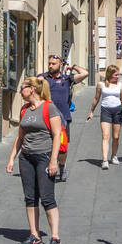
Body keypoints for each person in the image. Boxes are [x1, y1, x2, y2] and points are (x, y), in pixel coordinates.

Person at [7, 77, 64, 244]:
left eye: (23, 87)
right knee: (30, 197)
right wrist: (11, 158)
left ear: (32, 89)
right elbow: (20, 136)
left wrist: (53, 160)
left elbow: (56, 135)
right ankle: (34, 235)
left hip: (44, 156)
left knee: (47, 198)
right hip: (26, 157)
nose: (20, 90)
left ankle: (55, 238)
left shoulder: (49, 107)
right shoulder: (24, 109)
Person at [39, 53, 88, 182]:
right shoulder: (43, 78)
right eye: (49, 63)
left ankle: (62, 166)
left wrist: (73, 67)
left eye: (53, 64)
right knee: (46, 145)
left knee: (62, 147)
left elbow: (85, 73)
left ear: (60, 65)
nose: (50, 66)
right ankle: (48, 167)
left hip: (63, 118)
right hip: (46, 117)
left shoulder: (67, 79)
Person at [86, 64, 122, 168]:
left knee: (116, 137)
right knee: (105, 135)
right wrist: (91, 111)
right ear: (110, 74)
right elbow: (96, 98)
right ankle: (105, 160)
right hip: (105, 111)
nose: (117, 77)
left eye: (118, 75)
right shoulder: (101, 85)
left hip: (117, 111)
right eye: (116, 75)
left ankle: (113, 156)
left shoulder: (120, 85)